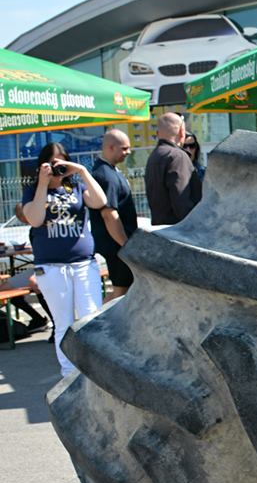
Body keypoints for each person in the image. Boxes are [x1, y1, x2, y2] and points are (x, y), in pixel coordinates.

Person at [19, 142, 108, 376]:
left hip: (83, 264)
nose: (58, 167)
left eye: (62, 161)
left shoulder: (74, 187)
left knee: (92, 318)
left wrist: (81, 171)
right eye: (53, 162)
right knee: (64, 323)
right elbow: (35, 219)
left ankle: (95, 369)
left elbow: (99, 202)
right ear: (42, 165)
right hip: (52, 268)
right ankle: (69, 374)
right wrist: (43, 182)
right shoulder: (33, 191)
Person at [91, 129, 137, 301]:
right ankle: (94, 324)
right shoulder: (106, 176)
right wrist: (126, 245)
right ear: (110, 147)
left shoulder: (110, 172)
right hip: (116, 247)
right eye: (124, 148)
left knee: (124, 291)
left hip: (119, 245)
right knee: (121, 293)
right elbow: (109, 215)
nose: (128, 152)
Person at [146, 112, 200, 225]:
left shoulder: (154, 156)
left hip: (160, 229)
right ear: (181, 132)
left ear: (158, 134)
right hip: (179, 231)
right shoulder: (178, 156)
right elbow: (181, 199)